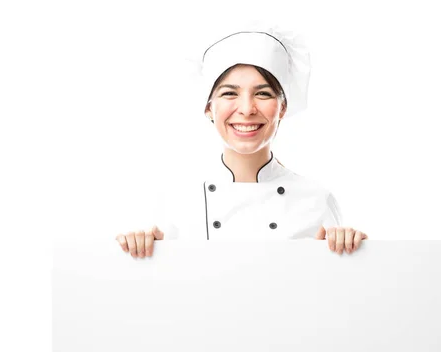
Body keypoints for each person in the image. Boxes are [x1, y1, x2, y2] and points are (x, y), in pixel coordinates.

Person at [116, 24, 367, 258]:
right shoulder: (175, 203)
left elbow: (333, 295)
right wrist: (135, 252)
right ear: (208, 108)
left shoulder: (316, 200)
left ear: (282, 108)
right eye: (229, 93)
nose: (247, 109)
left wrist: (353, 250)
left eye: (263, 93)